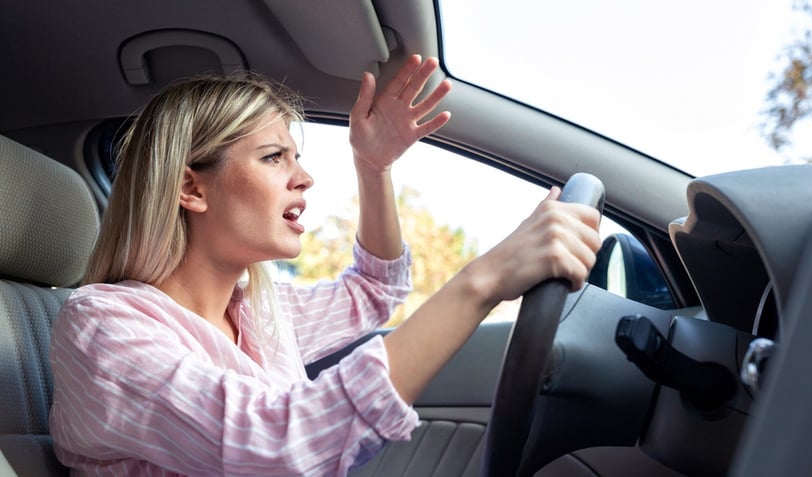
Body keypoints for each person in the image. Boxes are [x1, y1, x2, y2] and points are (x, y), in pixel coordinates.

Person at [48, 54, 602, 476]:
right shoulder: (103, 328)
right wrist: (483, 280)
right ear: (191, 187)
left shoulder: (263, 309)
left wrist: (374, 167)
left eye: (298, 157)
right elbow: (277, 444)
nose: (305, 178)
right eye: (273, 157)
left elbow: (374, 290)